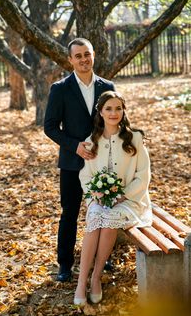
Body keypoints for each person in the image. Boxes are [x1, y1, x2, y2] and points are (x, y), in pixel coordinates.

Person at [44, 38, 115, 282]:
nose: (84, 59)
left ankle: (102, 258)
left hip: (102, 161)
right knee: (70, 212)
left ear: (93, 55)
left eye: (87, 54)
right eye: (78, 55)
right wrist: (75, 146)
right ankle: (64, 263)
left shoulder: (107, 87)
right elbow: (50, 127)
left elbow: (115, 121)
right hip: (72, 162)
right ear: (70, 60)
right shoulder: (60, 88)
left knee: (104, 210)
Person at [74, 90, 152, 305]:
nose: (113, 112)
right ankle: (81, 282)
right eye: (108, 108)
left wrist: (122, 196)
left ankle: (96, 277)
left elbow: (143, 176)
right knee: (96, 218)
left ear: (123, 111)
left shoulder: (134, 138)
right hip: (99, 199)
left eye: (118, 108)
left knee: (108, 222)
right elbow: (86, 176)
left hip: (130, 201)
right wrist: (94, 197)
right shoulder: (91, 141)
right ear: (100, 112)